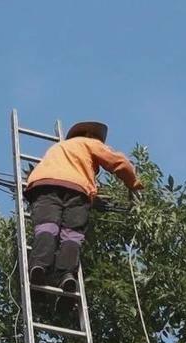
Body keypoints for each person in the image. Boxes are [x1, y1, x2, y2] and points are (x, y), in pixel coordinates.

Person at [23, 121, 143, 292]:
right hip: (77, 190)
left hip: (44, 185)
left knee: (47, 227)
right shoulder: (89, 143)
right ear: (89, 135)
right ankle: (67, 275)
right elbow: (118, 162)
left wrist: (94, 200)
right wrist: (134, 184)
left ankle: (39, 266)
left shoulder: (58, 148)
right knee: (72, 235)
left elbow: (63, 175)